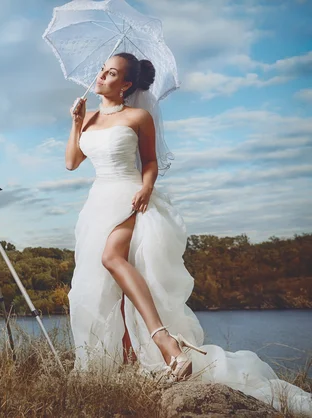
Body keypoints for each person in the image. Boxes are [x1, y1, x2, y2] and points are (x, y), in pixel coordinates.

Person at [66, 53, 311, 414]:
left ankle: (167, 343)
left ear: (127, 84)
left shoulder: (138, 117)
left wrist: (147, 188)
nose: (102, 75)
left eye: (112, 72)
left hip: (128, 196)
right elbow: (72, 163)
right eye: (102, 70)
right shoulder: (87, 118)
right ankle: (129, 360)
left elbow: (150, 162)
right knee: (101, 287)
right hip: (95, 204)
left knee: (111, 258)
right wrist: (75, 124)